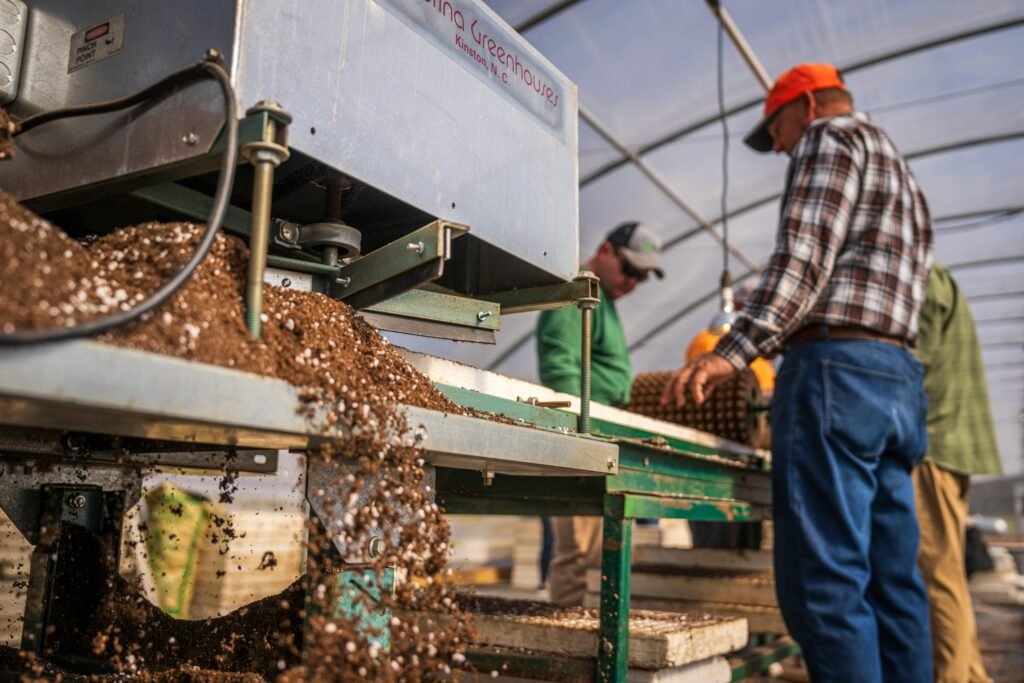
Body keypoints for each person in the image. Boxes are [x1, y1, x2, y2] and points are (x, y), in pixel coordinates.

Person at [662, 63, 934, 682]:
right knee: (894, 581)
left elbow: (801, 265)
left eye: (776, 129)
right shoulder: (902, 173)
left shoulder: (829, 139)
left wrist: (729, 351)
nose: (779, 145)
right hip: (896, 379)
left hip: (837, 373)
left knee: (825, 585)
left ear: (807, 106)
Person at [536, 221, 663, 606]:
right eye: (630, 270)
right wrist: (584, 436)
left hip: (600, 438)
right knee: (579, 555)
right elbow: (560, 365)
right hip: (583, 438)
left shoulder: (604, 300)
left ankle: (585, 637)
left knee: (594, 556)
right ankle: (566, 646)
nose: (632, 283)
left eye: (641, 278)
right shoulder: (580, 288)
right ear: (606, 250)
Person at [914, 263, 1002, 683]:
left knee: (937, 576)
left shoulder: (923, 283)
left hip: (935, 444)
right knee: (946, 571)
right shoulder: (942, 280)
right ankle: (967, 673)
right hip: (950, 444)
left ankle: (953, 676)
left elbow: (913, 362)